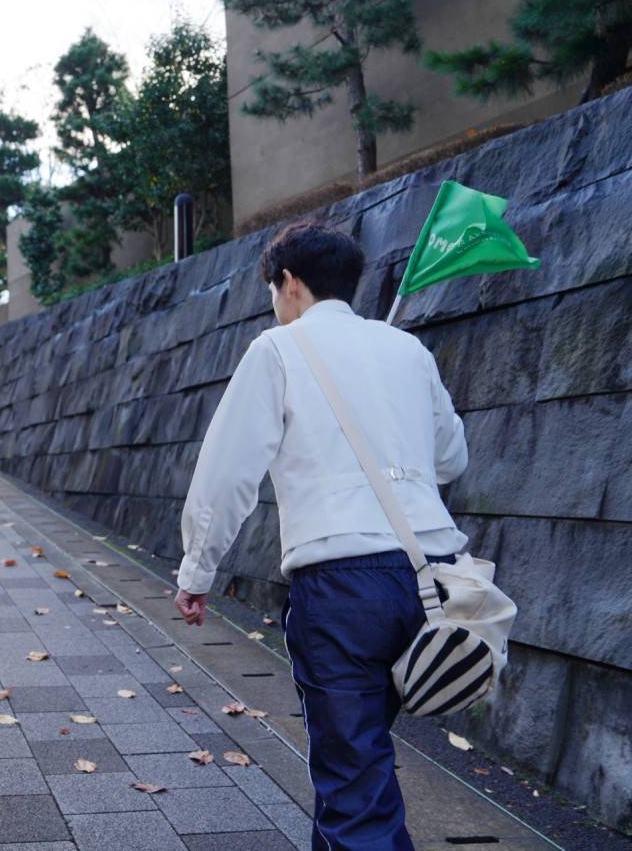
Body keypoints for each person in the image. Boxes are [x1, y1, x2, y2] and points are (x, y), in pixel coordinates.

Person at [173, 222, 469, 850]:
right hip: (436, 575)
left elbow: (226, 475)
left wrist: (197, 573)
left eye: (272, 288)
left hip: (342, 586)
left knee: (353, 775)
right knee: (352, 771)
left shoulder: (277, 351)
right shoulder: (407, 349)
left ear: (289, 283)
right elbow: (451, 459)